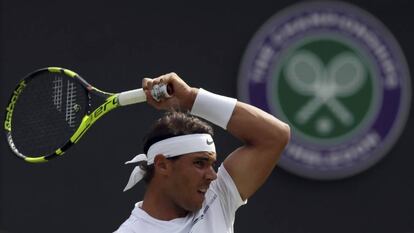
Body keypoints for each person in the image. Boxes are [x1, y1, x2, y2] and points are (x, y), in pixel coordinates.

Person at [115, 73, 290, 233]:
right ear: (162, 165)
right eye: (200, 163)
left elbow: (275, 136)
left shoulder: (217, 195)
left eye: (211, 164)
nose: (212, 176)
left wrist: (190, 98)